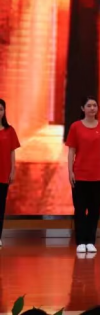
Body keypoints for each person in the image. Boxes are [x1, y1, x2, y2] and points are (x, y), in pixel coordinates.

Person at [66, 96, 100, 254]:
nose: (92, 108)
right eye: (89, 106)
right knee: (79, 209)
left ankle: (91, 241)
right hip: (80, 174)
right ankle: (80, 241)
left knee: (94, 210)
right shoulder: (75, 127)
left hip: (97, 175)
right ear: (82, 108)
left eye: (94, 106)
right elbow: (71, 150)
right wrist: (70, 171)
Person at [0, 99, 20, 248]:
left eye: (0, 109)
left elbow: (12, 152)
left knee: (0, 207)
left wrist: (13, 170)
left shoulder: (9, 130)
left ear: (4, 111)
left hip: (3, 174)